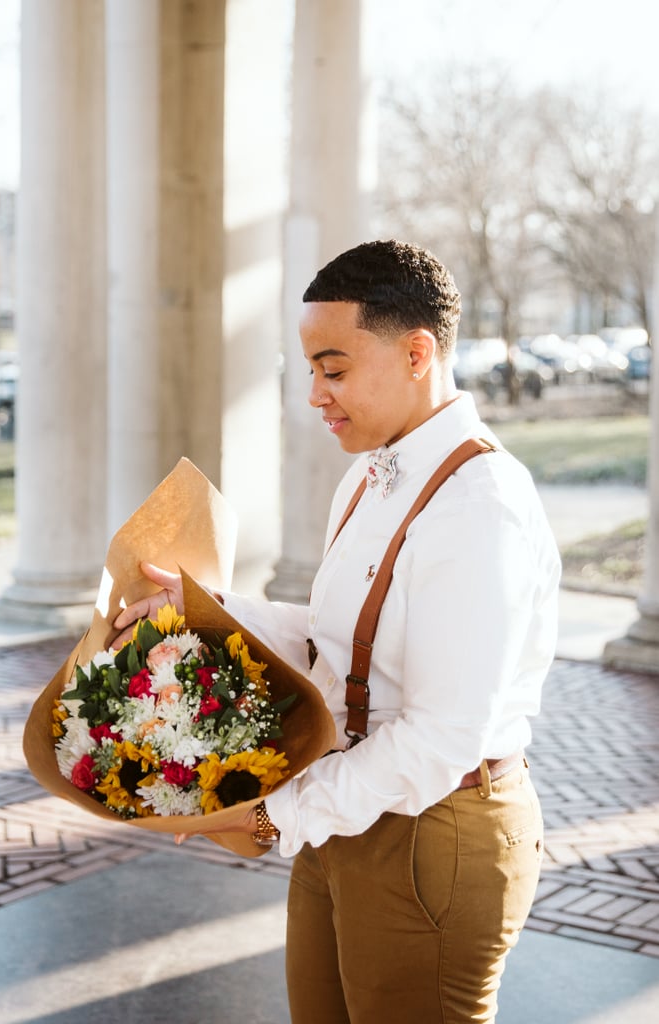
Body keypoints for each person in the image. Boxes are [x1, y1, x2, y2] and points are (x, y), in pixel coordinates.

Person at [113, 240, 561, 1023]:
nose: (315, 395)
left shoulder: (479, 507)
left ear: (418, 352)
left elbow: (440, 738)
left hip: (435, 831)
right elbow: (337, 639)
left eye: (335, 368)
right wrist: (207, 612)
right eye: (309, 371)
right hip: (348, 808)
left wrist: (270, 816)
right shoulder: (366, 472)